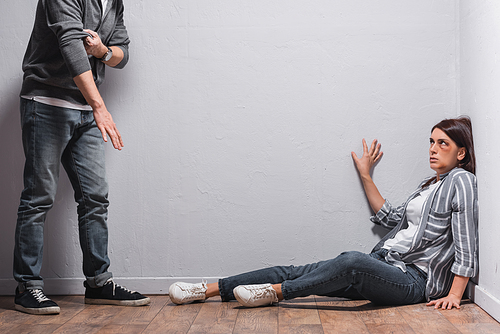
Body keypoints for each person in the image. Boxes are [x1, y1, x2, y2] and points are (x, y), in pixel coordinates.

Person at [168, 117, 478, 310]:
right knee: (298, 269)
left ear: (461, 153)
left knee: (351, 261)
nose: (433, 149)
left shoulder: (462, 181)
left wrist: (455, 294)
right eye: (431, 142)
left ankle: (274, 293)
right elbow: (389, 217)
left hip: (413, 281)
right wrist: (365, 173)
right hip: (385, 266)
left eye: (443, 143)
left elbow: (465, 243)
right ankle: (206, 290)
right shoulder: (429, 186)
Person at [14, 0, 150, 315]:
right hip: (46, 101)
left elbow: (122, 54)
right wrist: (101, 107)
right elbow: (71, 48)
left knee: (95, 198)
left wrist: (103, 50)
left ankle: (99, 284)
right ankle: (28, 287)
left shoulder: (114, 3)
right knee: (38, 197)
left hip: (85, 109)